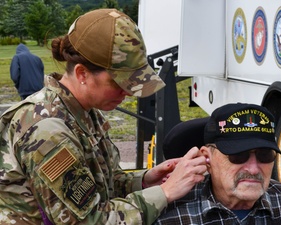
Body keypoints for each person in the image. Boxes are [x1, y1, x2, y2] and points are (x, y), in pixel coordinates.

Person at [0, 9, 208, 225]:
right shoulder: (46, 130)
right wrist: (165, 192)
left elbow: (98, 185)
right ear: (82, 74)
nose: (128, 92)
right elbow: (90, 220)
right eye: (120, 82)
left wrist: (144, 180)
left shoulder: (83, 111)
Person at [154, 102, 281, 224]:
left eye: (265, 155)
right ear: (207, 158)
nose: (253, 169)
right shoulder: (170, 216)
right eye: (238, 155)